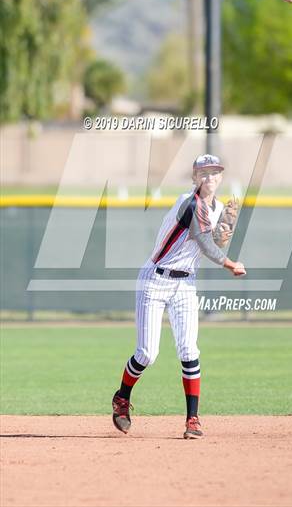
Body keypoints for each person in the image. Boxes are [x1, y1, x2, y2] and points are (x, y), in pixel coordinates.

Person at [112, 154, 246, 439]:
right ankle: (122, 398)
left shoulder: (218, 207)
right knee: (147, 353)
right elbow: (206, 244)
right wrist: (230, 262)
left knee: (189, 350)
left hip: (186, 284)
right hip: (156, 279)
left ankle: (193, 420)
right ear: (195, 178)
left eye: (214, 172)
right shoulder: (188, 204)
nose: (209, 178)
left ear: (220, 177)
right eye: (203, 173)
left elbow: (215, 240)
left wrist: (225, 233)